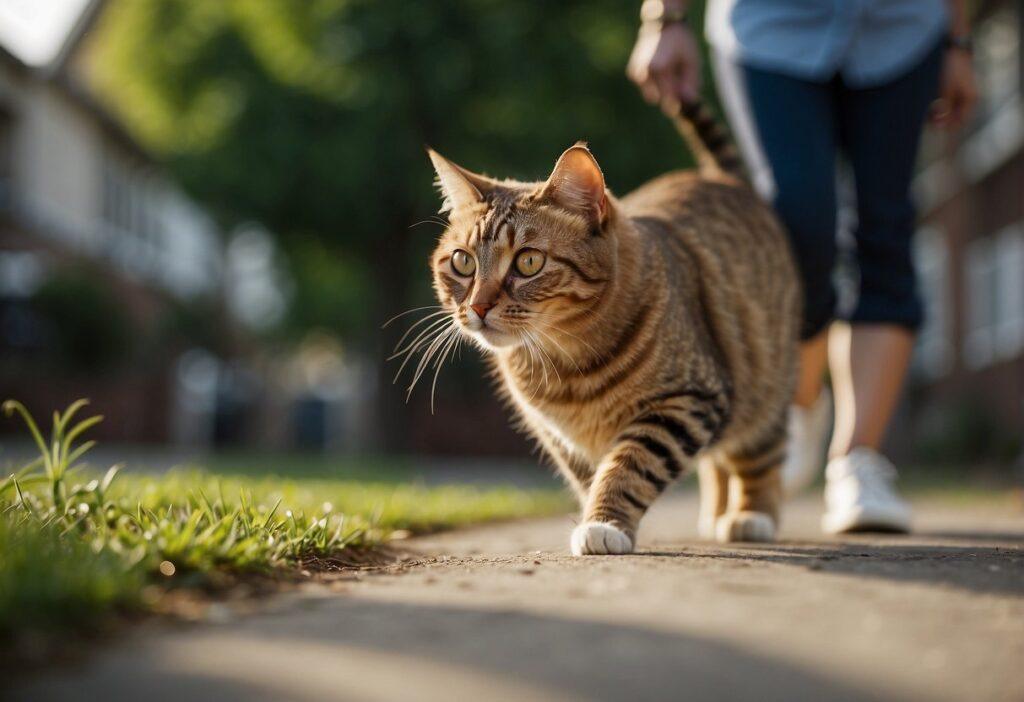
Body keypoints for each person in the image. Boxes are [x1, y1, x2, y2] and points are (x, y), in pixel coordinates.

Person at [627, 0, 977, 533]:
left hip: (905, 30)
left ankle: (857, 462)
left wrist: (958, 41)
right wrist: (665, 19)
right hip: (769, 28)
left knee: (886, 230)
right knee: (797, 223)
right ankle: (793, 408)